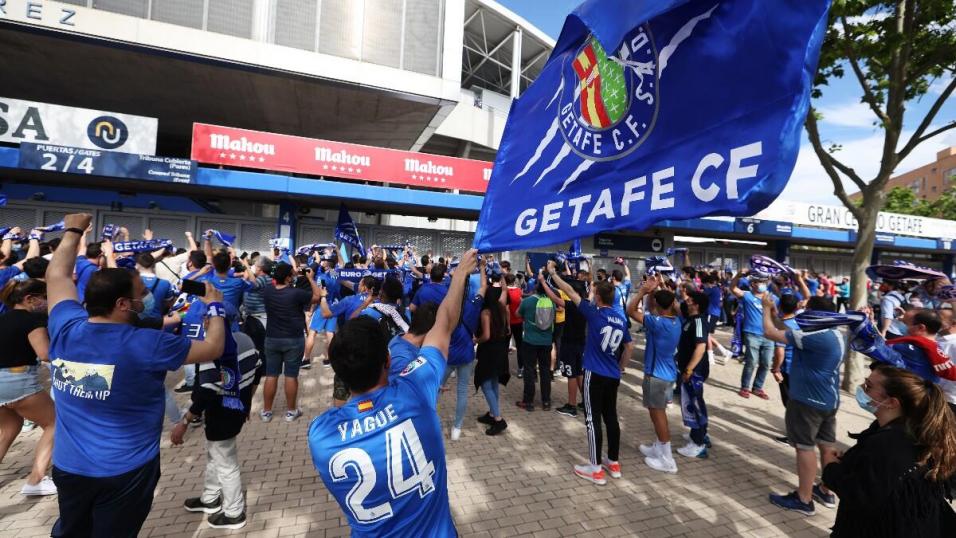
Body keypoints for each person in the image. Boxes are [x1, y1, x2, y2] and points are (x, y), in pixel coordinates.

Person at [45, 213, 227, 538]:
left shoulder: (64, 326)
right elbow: (212, 348)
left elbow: (56, 274)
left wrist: (73, 229)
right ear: (121, 303)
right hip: (126, 472)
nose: (145, 298)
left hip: (69, 467)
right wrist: (214, 307)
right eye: (140, 293)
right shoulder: (149, 343)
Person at [307, 248, 477, 537]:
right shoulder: (414, 389)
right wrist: (460, 274)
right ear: (387, 360)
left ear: (340, 374)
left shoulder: (321, 435)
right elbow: (444, 322)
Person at [822, 364, 956, 536]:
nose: (862, 389)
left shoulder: (888, 443)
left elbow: (861, 495)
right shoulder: (908, 427)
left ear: (892, 402)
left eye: (869, 386)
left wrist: (830, 467)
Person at [171, 313, 260, 530]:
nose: (204, 323)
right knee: (215, 455)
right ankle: (210, 498)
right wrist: (246, 404)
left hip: (220, 414)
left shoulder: (212, 350)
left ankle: (234, 512)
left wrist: (184, 422)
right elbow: (258, 371)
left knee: (226, 463)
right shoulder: (246, 340)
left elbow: (205, 392)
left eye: (206, 319)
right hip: (236, 409)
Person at [549, 264, 632, 485]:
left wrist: (553, 273)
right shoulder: (621, 318)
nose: (591, 294)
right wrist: (621, 367)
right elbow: (629, 347)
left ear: (599, 297)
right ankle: (613, 462)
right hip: (613, 375)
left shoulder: (594, 313)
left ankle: (595, 468)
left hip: (594, 373)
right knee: (611, 417)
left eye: (594, 292)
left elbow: (570, 291)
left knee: (592, 419)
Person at [763, 296, 845, 516]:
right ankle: (826, 490)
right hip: (828, 400)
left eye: (807, 309)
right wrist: (773, 312)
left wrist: (764, 310)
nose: (803, 312)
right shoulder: (833, 332)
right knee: (827, 445)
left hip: (807, 402)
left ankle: (804, 498)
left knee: (804, 447)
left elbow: (770, 333)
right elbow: (786, 329)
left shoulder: (814, 336)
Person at [0, 279, 56, 496]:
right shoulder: (32, 321)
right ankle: (36, 480)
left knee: (8, 428)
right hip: (19, 382)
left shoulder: (3, 319)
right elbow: (45, 354)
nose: (46, 301)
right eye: (43, 297)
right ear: (29, 299)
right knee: (55, 423)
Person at [628, 277, 681, 474]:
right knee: (656, 412)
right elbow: (666, 303)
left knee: (659, 416)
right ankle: (659, 447)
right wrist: (656, 289)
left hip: (656, 376)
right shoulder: (675, 320)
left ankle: (667, 459)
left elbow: (631, 310)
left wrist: (642, 292)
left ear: (658, 305)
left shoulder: (657, 323)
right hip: (667, 374)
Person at [260, 262, 321, 422]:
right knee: (291, 375)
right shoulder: (296, 293)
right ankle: (291, 411)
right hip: (293, 339)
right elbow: (317, 296)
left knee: (271, 375)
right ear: (288, 277)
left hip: (272, 338)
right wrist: (310, 279)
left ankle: (266, 412)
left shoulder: (267, 291)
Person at [675, 290, 711, 459]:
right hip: (689, 370)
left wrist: (689, 370)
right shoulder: (691, 319)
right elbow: (676, 307)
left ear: (696, 305)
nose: (686, 301)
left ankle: (698, 444)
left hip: (694, 372)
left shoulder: (698, 322)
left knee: (694, 405)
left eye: (690, 299)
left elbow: (701, 347)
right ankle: (700, 434)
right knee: (696, 402)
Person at [731, 270, 777, 399]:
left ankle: (757, 388)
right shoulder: (747, 296)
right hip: (752, 334)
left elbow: (778, 314)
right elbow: (732, 288)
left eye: (764, 281)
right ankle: (745, 387)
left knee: (766, 363)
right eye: (759, 282)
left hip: (769, 335)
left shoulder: (772, 298)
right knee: (751, 361)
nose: (762, 284)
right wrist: (739, 275)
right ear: (753, 284)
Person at [474, 284, 511, 436]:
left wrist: (476, 340)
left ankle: (498, 419)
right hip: (501, 350)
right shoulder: (503, 310)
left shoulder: (486, 313)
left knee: (485, 383)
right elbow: (508, 329)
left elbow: (486, 336)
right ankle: (491, 414)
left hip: (489, 351)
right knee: (494, 381)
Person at [516, 272, 555, 411]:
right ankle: (546, 402)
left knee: (529, 370)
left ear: (535, 289)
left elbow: (517, 314)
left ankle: (528, 402)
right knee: (545, 371)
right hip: (546, 342)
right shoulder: (551, 302)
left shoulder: (527, 301)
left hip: (530, 341)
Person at [770, 294, 801, 444]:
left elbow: (779, 351)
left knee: (789, 403)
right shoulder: (800, 321)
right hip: (801, 367)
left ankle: (793, 437)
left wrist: (775, 369)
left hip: (788, 370)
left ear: (781, 306)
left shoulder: (782, 326)